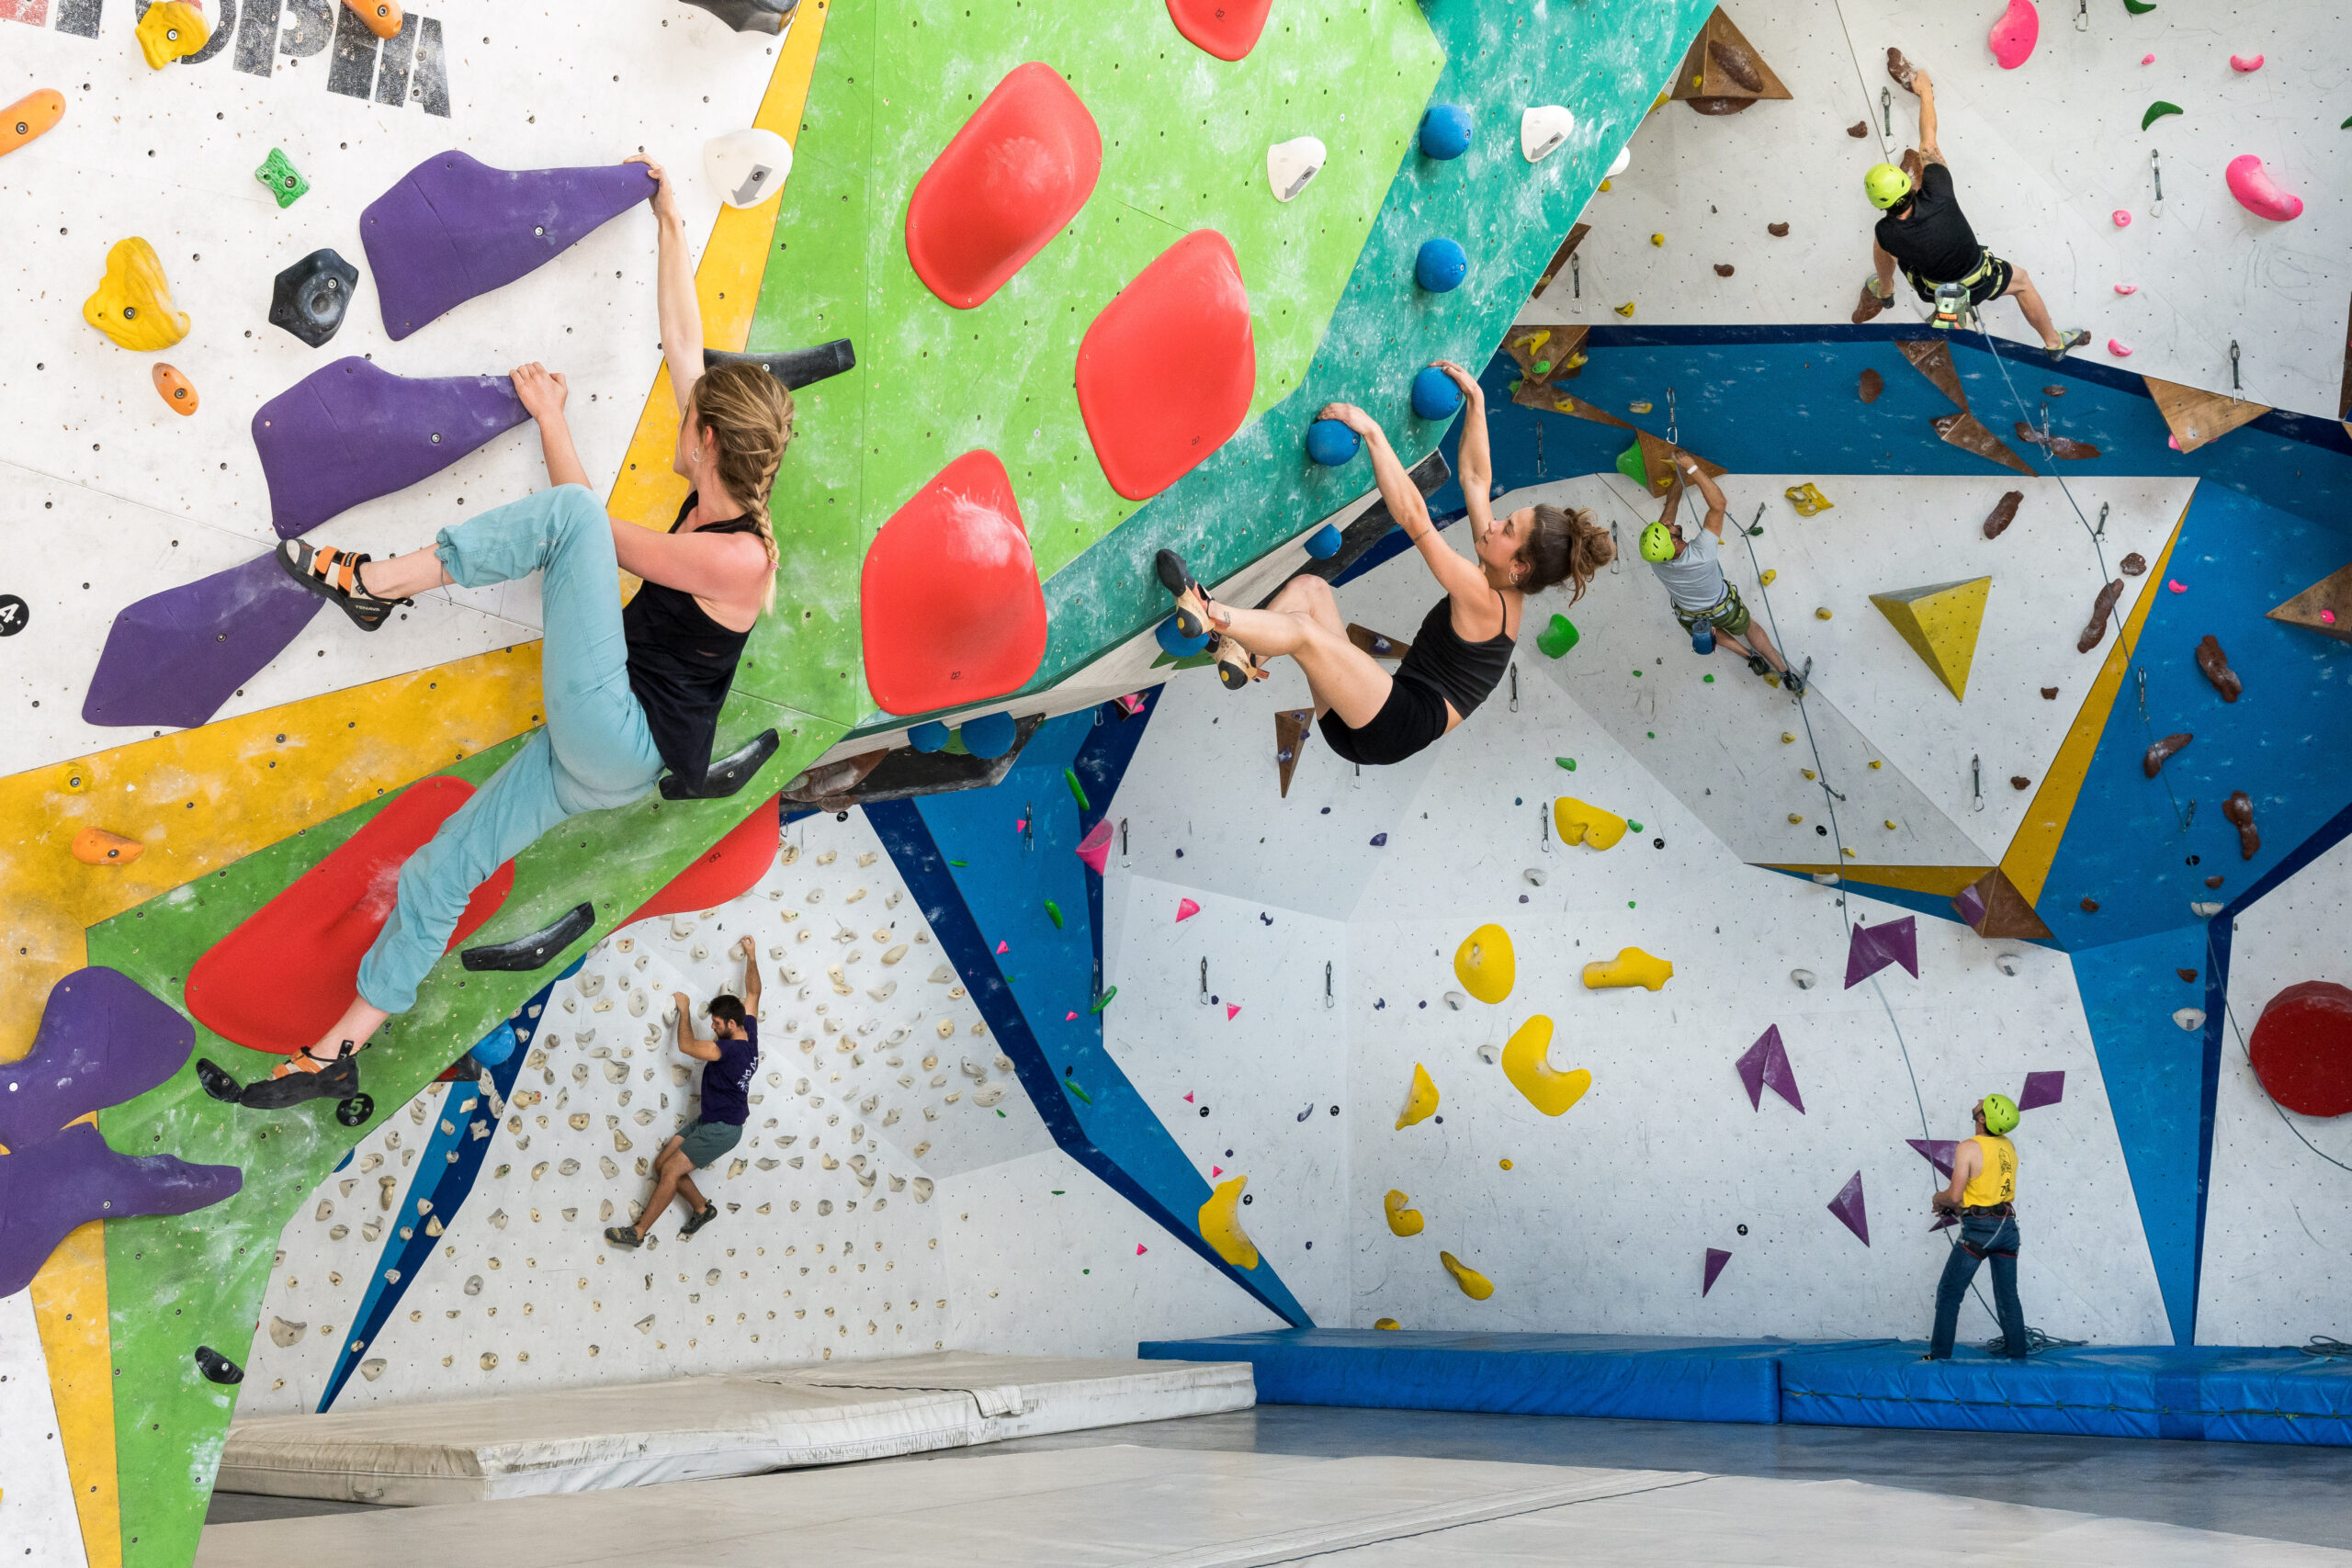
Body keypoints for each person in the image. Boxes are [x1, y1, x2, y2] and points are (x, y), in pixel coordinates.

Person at [196, 153, 791, 1113]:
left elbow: (585, 524)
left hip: (621, 731)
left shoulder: (739, 559)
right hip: (594, 749)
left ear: (709, 444)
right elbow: (686, 333)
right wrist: (672, 218)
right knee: (442, 867)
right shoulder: (726, 476)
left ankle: (374, 583)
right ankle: (336, 1051)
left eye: (689, 423)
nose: (680, 422)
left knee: (578, 523)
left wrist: (555, 429)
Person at [1153, 361, 1612, 768]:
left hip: (1393, 724)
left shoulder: (1487, 600)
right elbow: (1476, 477)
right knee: (1310, 590)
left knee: (1306, 633)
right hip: (1369, 713)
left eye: (1507, 530)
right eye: (1506, 520)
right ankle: (1242, 655)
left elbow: (1415, 519)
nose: (1493, 526)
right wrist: (1477, 401)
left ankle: (1210, 612)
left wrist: (1372, 432)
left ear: (1521, 569)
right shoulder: (1497, 568)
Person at [1853, 62, 2088, 358]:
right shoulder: (1938, 188)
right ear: (1910, 183)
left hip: (1934, 290)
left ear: (1879, 205)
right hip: (1981, 277)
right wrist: (1925, 93)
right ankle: (2054, 344)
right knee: (2023, 283)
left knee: (1885, 247)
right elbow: (1928, 141)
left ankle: (1885, 290)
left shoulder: (1886, 231)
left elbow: (1892, 243)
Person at [605, 937, 761, 1247]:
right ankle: (702, 1209)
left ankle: (637, 1233)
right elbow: (754, 992)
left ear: (731, 1023)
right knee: (664, 1166)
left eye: (716, 1024)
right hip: (712, 1120)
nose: (714, 1028)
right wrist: (752, 956)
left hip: (723, 1129)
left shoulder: (728, 1051)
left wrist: (685, 1009)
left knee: (672, 1170)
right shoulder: (749, 1032)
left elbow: (686, 1046)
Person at [1637, 456, 1805, 695]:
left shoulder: (1657, 560)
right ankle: (1785, 673)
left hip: (1688, 616)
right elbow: (1718, 505)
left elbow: (1670, 506)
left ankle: (1749, 657)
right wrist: (1691, 467)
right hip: (1723, 608)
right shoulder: (1702, 553)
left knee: (1711, 630)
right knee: (1750, 627)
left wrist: (1679, 474)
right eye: (1668, 529)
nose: (1667, 522)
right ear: (1673, 543)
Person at [1926, 1091, 2030, 1359]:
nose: (1979, 1100)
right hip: (2007, 1229)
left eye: (1984, 1103)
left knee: (1949, 1292)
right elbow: (1987, 1191)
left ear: (1982, 1119)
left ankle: (1938, 1358)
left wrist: (1939, 1199)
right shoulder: (2008, 1145)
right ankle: (2018, 1355)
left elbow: (1955, 1195)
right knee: (2008, 1295)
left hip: (1980, 1232)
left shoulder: (1969, 1147)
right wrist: (1956, 1206)